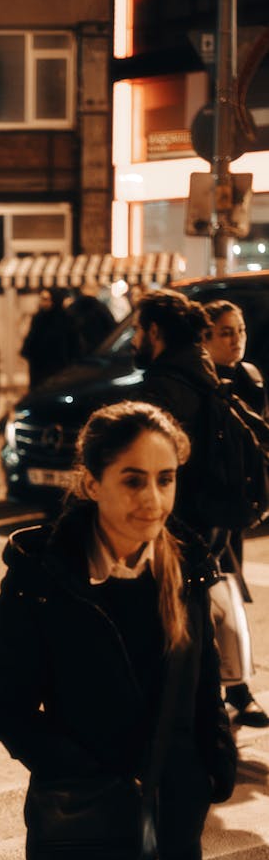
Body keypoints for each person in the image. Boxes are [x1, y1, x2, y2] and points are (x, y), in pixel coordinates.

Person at [0, 399, 237, 860]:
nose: (152, 498)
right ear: (90, 481)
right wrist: (79, 766)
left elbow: (204, 678)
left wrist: (214, 766)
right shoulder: (43, 575)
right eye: (132, 478)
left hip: (169, 817)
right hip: (77, 820)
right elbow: (3, 706)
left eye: (166, 477)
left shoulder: (188, 562)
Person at [132, 289, 269, 726]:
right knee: (199, 641)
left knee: (176, 649)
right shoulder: (209, 381)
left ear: (154, 332)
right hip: (209, 532)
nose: (135, 339)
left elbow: (147, 475)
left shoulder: (159, 390)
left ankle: (191, 747)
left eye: (137, 330)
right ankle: (212, 738)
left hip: (172, 535)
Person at [202, 298, 269, 727]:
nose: (236, 339)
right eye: (226, 332)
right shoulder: (201, 381)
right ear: (204, 338)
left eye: (239, 330)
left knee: (230, 595)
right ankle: (231, 689)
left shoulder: (250, 377)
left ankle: (237, 688)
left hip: (237, 510)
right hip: (209, 510)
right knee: (217, 598)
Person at [21, 287, 82, 388]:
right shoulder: (38, 318)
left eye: (46, 299)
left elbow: (74, 345)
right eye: (42, 299)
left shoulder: (66, 320)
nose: (43, 303)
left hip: (60, 369)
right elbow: (32, 341)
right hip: (39, 369)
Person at [67, 281, 117, 357]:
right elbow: (112, 329)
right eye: (96, 287)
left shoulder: (72, 308)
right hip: (99, 351)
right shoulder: (100, 308)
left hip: (76, 354)